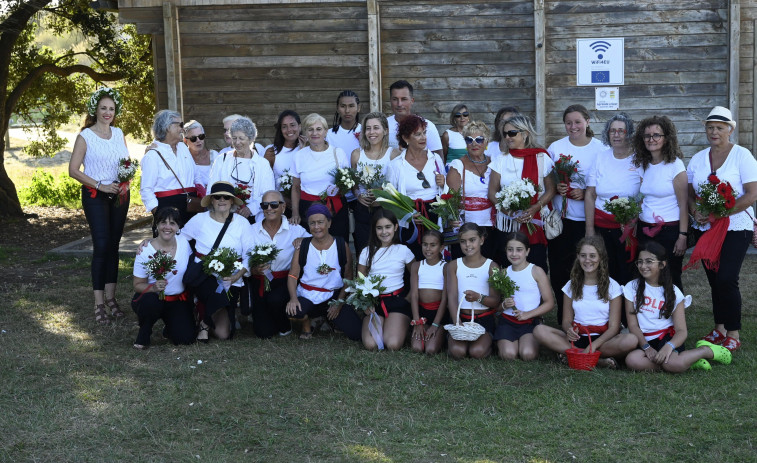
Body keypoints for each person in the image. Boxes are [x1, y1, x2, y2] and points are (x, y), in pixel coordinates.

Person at [686, 106, 757, 352]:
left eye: (719, 127)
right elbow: (689, 191)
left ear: (730, 130)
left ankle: (733, 332)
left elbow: (751, 194)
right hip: (706, 227)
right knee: (714, 279)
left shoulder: (742, 155)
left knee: (727, 277)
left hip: (736, 225)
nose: (714, 132)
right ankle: (719, 329)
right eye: (710, 127)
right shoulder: (698, 158)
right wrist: (695, 210)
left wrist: (721, 212)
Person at [68, 87, 130, 324]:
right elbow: (73, 170)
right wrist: (100, 185)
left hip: (119, 195)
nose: (107, 112)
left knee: (114, 246)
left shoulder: (119, 132)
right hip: (96, 195)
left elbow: (126, 163)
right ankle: (99, 303)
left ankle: (112, 299)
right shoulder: (85, 136)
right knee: (101, 245)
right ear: (95, 109)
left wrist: (126, 181)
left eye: (111, 109)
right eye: (103, 108)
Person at [623, 241, 732, 372]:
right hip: (644, 340)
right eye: (640, 261)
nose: (643, 266)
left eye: (649, 261)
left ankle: (705, 351)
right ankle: (686, 362)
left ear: (662, 264)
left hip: (667, 339)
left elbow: (681, 331)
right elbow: (633, 325)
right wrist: (646, 347)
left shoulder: (673, 292)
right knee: (632, 360)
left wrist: (669, 347)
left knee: (672, 363)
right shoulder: (631, 287)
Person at [532, 236, 636, 369]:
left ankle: (577, 356)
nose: (587, 260)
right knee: (539, 330)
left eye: (592, 256)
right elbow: (566, 320)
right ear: (578, 257)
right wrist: (569, 330)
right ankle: (596, 360)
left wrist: (595, 345)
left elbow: (614, 327)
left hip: (603, 340)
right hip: (577, 338)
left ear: (601, 258)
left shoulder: (613, 286)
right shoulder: (571, 285)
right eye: (583, 255)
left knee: (631, 340)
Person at [546, 104, 605, 325]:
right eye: (569, 123)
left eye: (578, 122)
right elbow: (547, 178)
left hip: (589, 220)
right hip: (562, 220)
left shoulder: (600, 149)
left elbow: (607, 182)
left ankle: (588, 317)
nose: (573, 127)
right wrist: (558, 187)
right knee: (560, 269)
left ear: (588, 122)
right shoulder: (556, 147)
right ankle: (564, 316)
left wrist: (588, 192)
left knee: (588, 269)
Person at [181, 181, 252, 341]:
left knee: (223, 334)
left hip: (231, 277)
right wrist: (151, 243)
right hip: (204, 273)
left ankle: (202, 314)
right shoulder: (200, 219)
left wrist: (236, 276)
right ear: (211, 200)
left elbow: (250, 255)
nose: (222, 200)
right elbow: (180, 239)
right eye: (217, 197)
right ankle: (204, 325)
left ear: (232, 201)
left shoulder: (242, 223)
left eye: (226, 197)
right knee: (212, 291)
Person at [489, 115, 555, 271]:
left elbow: (551, 189)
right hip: (508, 224)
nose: (507, 137)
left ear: (525, 134)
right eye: (504, 134)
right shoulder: (500, 160)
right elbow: (492, 192)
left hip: (536, 223)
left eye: (512, 133)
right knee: (508, 269)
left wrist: (534, 208)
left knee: (536, 267)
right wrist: (511, 212)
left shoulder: (542, 158)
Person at [286, 204, 362, 340]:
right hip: (307, 295)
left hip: (332, 296)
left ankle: (329, 319)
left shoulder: (340, 244)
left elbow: (349, 276)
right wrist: (293, 298)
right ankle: (307, 323)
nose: (316, 227)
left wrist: (339, 303)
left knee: (356, 333)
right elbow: (293, 275)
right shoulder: (302, 246)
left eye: (320, 222)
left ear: (329, 223)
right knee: (294, 312)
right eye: (312, 223)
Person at [632, 115, 688, 291]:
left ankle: (674, 314)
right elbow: (643, 198)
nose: (651, 139)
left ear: (666, 138)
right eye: (647, 135)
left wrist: (682, 236)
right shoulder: (643, 164)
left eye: (656, 135)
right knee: (646, 274)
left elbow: (683, 204)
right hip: (645, 229)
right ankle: (649, 313)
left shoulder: (675, 165)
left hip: (669, 232)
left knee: (670, 274)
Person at [584, 112, 640, 285]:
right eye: (612, 131)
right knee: (605, 272)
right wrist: (590, 229)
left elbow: (644, 195)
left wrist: (634, 222)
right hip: (602, 227)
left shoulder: (639, 159)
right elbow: (590, 194)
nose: (616, 135)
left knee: (627, 272)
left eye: (621, 131)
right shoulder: (601, 157)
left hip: (629, 228)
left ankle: (627, 310)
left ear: (629, 133)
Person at [248, 190, 310, 338]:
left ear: (283, 207)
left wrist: (304, 241)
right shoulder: (251, 230)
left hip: (284, 281)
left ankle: (285, 323)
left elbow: (315, 243)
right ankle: (272, 319)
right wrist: (253, 269)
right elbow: (244, 256)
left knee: (275, 300)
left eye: (274, 204)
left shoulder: (295, 230)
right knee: (263, 333)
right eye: (265, 205)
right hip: (260, 281)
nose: (269, 209)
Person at [131, 206, 195, 349]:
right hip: (153, 298)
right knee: (150, 301)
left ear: (178, 227)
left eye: (172, 223)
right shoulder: (145, 250)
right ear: (156, 225)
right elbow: (137, 284)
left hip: (177, 300)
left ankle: (170, 326)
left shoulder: (184, 243)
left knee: (186, 339)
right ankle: (145, 330)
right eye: (163, 222)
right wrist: (153, 287)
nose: (167, 227)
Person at [386, 114, 446, 259]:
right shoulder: (396, 165)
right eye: (417, 134)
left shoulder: (435, 159)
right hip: (411, 218)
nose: (423, 137)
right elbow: (390, 200)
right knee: (412, 259)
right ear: (406, 138)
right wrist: (408, 216)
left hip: (434, 216)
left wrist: (443, 183)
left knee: (435, 258)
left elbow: (445, 192)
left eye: (424, 133)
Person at [359, 209, 416, 351]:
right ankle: (382, 323)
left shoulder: (403, 250)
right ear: (374, 230)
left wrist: (408, 298)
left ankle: (396, 325)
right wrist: (366, 304)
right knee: (371, 345)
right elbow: (360, 280)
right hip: (375, 302)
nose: (384, 232)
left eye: (388, 227)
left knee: (392, 344)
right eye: (379, 228)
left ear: (396, 227)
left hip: (397, 301)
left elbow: (416, 275)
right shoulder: (367, 252)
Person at [493, 232, 554, 361]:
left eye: (519, 250)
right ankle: (506, 341)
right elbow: (496, 307)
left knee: (528, 354)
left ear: (527, 251)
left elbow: (549, 303)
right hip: (508, 321)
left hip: (529, 321)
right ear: (506, 251)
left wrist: (528, 314)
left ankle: (529, 338)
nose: (514, 254)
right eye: (510, 250)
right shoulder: (503, 273)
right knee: (508, 355)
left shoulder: (536, 271)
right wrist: (504, 305)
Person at [291, 113, 351, 242]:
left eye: (319, 129)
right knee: (311, 245)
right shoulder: (299, 156)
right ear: (305, 133)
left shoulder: (338, 153)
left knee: (339, 243)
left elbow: (347, 183)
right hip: (308, 207)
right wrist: (295, 212)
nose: (314, 133)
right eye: (310, 129)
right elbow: (295, 187)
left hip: (335, 207)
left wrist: (340, 189)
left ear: (325, 131)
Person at [140, 110, 202, 231]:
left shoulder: (183, 148)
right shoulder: (152, 155)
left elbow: (196, 176)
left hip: (192, 207)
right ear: (167, 127)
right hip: (167, 211)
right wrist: (159, 214)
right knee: (168, 249)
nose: (183, 129)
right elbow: (146, 190)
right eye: (180, 124)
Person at [446, 223, 500, 359]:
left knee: (477, 352)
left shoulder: (492, 266)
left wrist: (478, 297)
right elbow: (451, 297)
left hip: (483, 319)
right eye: (463, 241)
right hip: (461, 318)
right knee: (458, 352)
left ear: (481, 240)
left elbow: (495, 301)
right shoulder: (453, 266)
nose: (467, 245)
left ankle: (489, 342)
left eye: (472, 240)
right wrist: (457, 322)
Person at [350, 112, 400, 255]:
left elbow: (397, 185)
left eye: (376, 128)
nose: (372, 132)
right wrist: (358, 195)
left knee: (387, 252)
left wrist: (381, 192)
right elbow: (353, 184)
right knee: (364, 251)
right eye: (368, 128)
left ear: (385, 130)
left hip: (386, 210)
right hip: (363, 210)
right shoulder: (356, 155)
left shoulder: (394, 154)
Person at [208, 116, 274, 223]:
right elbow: (212, 188)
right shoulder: (222, 160)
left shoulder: (262, 164)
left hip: (255, 217)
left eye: (241, 138)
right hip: (225, 215)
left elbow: (268, 193)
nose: (237, 142)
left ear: (251, 138)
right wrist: (228, 205)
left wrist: (250, 209)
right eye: (234, 138)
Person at [447, 120, 496, 260]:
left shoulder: (495, 163)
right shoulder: (457, 165)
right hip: (466, 228)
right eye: (469, 140)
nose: (474, 144)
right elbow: (450, 201)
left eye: (479, 139)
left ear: (487, 142)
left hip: (491, 226)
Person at [409, 230, 447, 354]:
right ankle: (421, 328)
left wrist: (435, 324)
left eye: (433, 245)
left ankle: (442, 332)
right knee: (417, 348)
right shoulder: (417, 266)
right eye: (425, 244)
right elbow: (414, 295)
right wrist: (417, 321)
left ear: (441, 247)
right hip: (421, 313)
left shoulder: (446, 267)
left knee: (431, 349)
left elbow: (445, 298)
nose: (428, 248)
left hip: (439, 314)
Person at [386, 80, 443, 155]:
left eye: (404, 99)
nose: (399, 104)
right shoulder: (383, 125)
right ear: (390, 100)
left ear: (412, 100)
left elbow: (438, 159)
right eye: (395, 99)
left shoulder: (427, 126)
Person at [183, 120, 218, 195]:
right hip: (193, 202)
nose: (198, 140)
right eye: (193, 138)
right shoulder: (183, 158)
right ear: (185, 140)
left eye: (201, 136)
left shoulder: (215, 156)